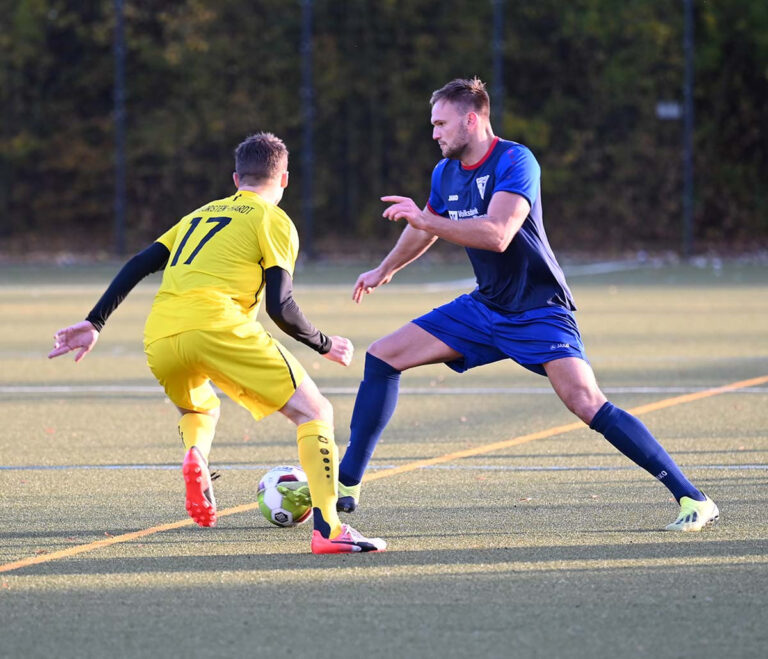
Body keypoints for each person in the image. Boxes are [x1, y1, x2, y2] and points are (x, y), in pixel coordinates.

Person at [335, 78, 718, 532]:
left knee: (585, 401)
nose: (434, 133)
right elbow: (425, 227)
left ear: (471, 119)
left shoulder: (515, 160)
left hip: (538, 308)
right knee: (382, 355)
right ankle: (344, 489)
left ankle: (693, 499)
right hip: (485, 308)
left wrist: (426, 218)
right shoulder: (445, 172)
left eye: (441, 123)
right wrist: (386, 269)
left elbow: (498, 235)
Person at [48, 132, 386, 554]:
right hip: (218, 325)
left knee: (198, 406)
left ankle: (197, 456)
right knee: (315, 411)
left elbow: (139, 262)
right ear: (284, 179)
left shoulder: (198, 214)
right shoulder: (272, 219)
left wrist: (95, 322)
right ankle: (330, 530)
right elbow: (281, 306)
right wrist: (324, 343)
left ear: (235, 178)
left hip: (162, 333)